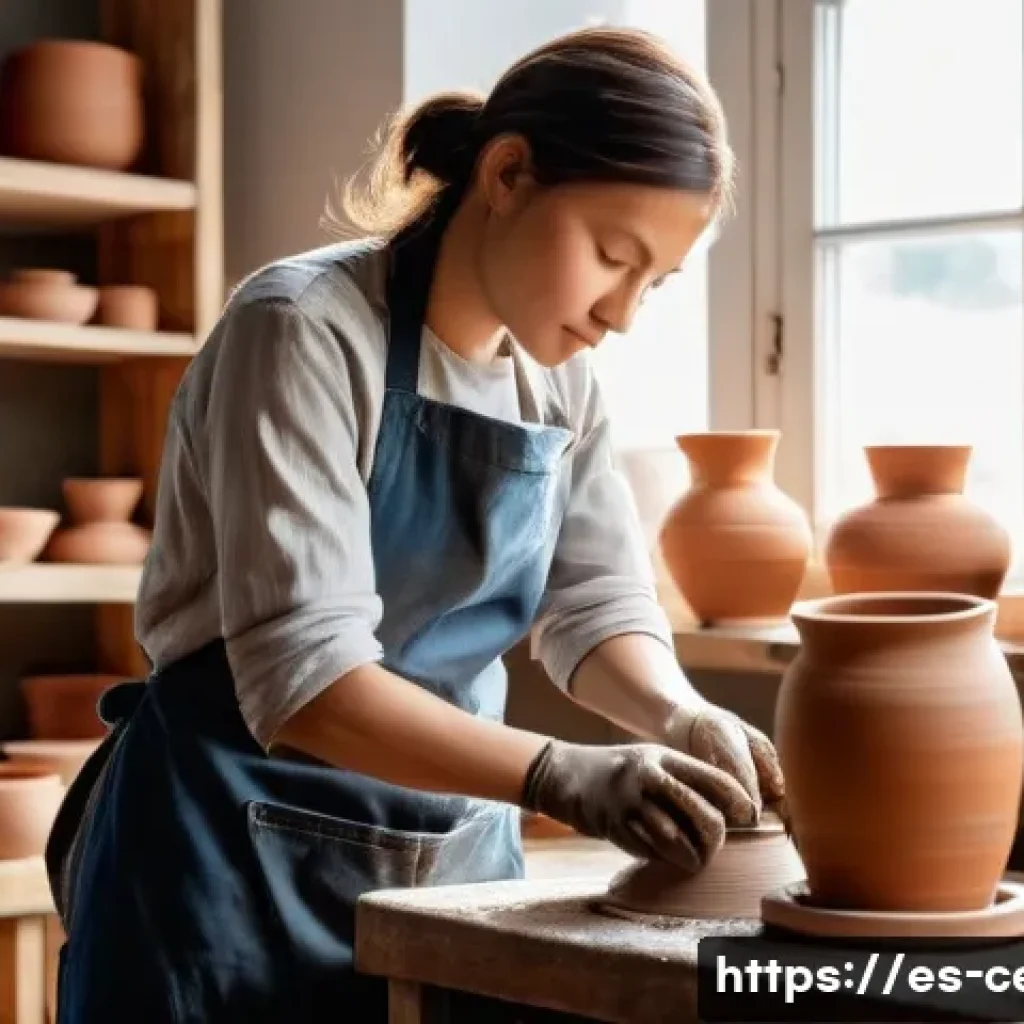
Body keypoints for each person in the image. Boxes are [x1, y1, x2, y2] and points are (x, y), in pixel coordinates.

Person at [48, 25, 785, 1023]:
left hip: (451, 860)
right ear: (509, 173)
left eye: (653, 281)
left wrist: (673, 712)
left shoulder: (560, 379)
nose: (622, 313)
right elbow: (305, 679)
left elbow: (595, 600)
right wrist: (559, 771)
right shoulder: (302, 328)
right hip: (229, 863)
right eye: (613, 256)